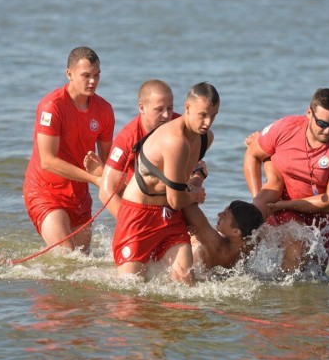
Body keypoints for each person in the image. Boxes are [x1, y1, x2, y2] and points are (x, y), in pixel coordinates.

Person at [112, 82, 220, 284]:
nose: (208, 123)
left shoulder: (206, 138)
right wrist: (195, 195)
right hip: (138, 216)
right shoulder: (174, 140)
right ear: (187, 107)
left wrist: (197, 178)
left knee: (185, 283)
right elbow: (176, 199)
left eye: (213, 116)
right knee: (130, 294)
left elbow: (181, 180)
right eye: (203, 114)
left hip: (169, 216)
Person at [243, 88, 329, 273]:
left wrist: (285, 205)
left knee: (314, 276)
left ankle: (286, 299)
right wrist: (258, 200)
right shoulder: (285, 127)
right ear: (309, 113)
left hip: (315, 214)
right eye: (321, 123)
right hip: (274, 201)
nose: (328, 130)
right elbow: (252, 154)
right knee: (243, 235)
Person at [23, 46, 115, 253]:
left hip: (79, 196)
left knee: (81, 260)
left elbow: (109, 160)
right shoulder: (52, 106)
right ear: (69, 74)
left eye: (97, 75)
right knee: (65, 253)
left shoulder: (105, 110)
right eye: (86, 76)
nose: (92, 82)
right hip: (45, 191)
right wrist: (95, 179)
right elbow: (48, 160)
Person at [83, 79, 188, 218]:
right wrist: (129, 225)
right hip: (139, 197)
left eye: (170, 108)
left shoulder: (180, 126)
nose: (166, 115)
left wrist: (199, 175)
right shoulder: (127, 138)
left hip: (173, 193)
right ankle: (106, 174)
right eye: (159, 109)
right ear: (142, 107)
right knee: (120, 186)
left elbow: (199, 157)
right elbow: (105, 192)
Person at [184, 200, 264, 271]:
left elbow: (187, 205)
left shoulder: (216, 246)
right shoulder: (252, 241)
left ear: (236, 232)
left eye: (224, 215)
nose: (219, 214)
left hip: (199, 269)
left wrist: (194, 194)